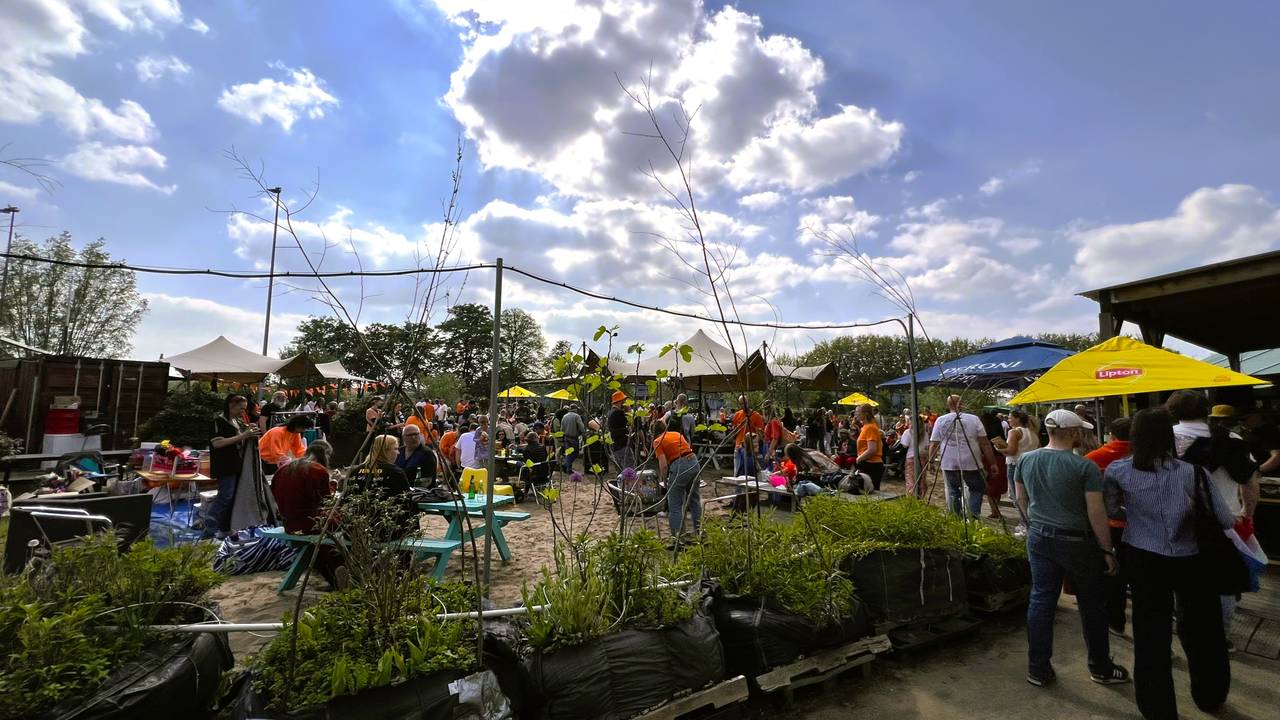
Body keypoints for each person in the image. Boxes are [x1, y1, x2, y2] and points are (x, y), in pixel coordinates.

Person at [1104, 409, 1233, 718]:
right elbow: (1225, 518)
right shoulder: (1193, 472)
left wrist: (1134, 514)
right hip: (1191, 559)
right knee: (1204, 629)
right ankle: (1210, 696)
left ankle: (1158, 708)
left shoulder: (1118, 471)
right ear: (1169, 436)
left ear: (1135, 435)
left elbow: (1112, 510)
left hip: (1143, 556)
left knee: (1150, 633)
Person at [1014, 409, 1129, 688]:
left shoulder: (1026, 460)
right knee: (1092, 605)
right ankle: (1100, 667)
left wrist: (1035, 525)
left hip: (1040, 537)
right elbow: (1096, 512)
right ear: (1074, 433)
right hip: (1078, 542)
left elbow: (1020, 498)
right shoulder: (1083, 467)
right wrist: (1107, 549)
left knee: (1041, 601)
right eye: (1081, 430)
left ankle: (1038, 669)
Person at [1166, 391, 1259, 638]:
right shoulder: (1232, 439)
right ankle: (1222, 636)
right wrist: (1248, 515)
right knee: (1224, 582)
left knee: (1182, 579)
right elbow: (1250, 484)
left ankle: (1185, 626)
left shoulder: (1161, 440)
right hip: (1225, 520)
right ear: (1206, 410)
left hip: (1174, 522)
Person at [269, 440, 345, 589]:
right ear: (325, 454)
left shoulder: (283, 469)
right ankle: (340, 571)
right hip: (312, 523)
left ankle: (334, 577)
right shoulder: (317, 470)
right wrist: (334, 483)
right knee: (342, 524)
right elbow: (326, 501)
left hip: (290, 524)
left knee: (316, 545)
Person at [1086, 416, 1133, 636]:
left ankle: (1116, 622)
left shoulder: (1093, 458)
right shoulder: (1146, 456)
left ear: (1111, 435)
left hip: (1109, 525)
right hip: (1143, 527)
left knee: (1114, 575)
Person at [928, 395, 999, 517]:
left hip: (949, 462)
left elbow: (934, 444)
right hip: (971, 462)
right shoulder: (974, 419)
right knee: (976, 489)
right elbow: (985, 443)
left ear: (947, 405)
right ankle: (973, 517)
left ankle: (956, 519)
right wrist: (992, 462)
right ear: (962, 404)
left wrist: (931, 462)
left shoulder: (940, 420)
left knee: (953, 491)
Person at [206, 395, 261, 539]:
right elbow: (217, 443)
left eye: (245, 409)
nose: (243, 411)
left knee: (232, 497)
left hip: (236, 464)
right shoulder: (219, 421)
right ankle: (209, 525)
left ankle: (225, 528)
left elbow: (241, 439)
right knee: (226, 495)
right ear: (231, 405)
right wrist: (243, 436)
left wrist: (250, 431)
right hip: (225, 465)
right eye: (241, 408)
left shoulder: (236, 421)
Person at [346, 434, 415, 537]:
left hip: (354, 530)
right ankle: (408, 552)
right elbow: (407, 501)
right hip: (385, 530)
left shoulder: (355, 471)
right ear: (385, 451)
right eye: (395, 449)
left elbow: (347, 499)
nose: (398, 452)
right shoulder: (395, 472)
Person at [652, 418, 701, 537]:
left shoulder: (658, 441)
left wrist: (664, 480)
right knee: (694, 500)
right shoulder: (677, 434)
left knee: (675, 505)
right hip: (694, 462)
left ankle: (678, 539)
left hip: (680, 465)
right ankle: (699, 533)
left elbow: (663, 465)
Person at [1000, 410, 1040, 505]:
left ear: (1017, 419)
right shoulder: (1033, 432)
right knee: (1029, 495)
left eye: (1010, 418)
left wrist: (999, 449)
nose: (1008, 420)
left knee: (1018, 496)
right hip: (1031, 465)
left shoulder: (1014, 432)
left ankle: (1024, 518)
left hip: (1015, 465)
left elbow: (1012, 451)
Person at [979, 411, 1009, 518]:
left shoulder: (983, 434)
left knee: (989, 486)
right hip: (1000, 459)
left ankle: (994, 510)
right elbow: (1003, 448)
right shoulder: (998, 434)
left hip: (986, 459)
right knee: (998, 486)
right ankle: (996, 509)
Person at [731, 395, 765, 477]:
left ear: (748, 402)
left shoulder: (756, 416)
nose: (743, 405)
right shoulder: (737, 415)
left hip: (750, 449)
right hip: (738, 447)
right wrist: (738, 427)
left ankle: (750, 489)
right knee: (738, 473)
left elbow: (760, 436)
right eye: (741, 404)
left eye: (745, 403)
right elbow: (733, 432)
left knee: (750, 474)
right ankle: (738, 490)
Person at [854, 404, 885, 491]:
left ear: (866, 414)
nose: (856, 414)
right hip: (868, 463)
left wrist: (859, 459)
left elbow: (872, 449)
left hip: (871, 465)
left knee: (870, 493)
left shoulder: (870, 427)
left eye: (858, 412)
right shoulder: (865, 427)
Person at [1241, 409, 1280, 477]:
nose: (1241, 422)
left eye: (1244, 419)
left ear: (1257, 416)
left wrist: (1257, 471)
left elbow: (1277, 457)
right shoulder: (1252, 432)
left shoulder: (1268, 432)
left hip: (1269, 478)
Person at [897, 415, 928, 497]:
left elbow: (904, 445)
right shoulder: (925, 433)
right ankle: (921, 497)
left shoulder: (908, 432)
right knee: (921, 479)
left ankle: (911, 499)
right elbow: (926, 446)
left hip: (911, 458)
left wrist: (900, 438)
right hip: (922, 458)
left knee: (911, 480)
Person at [606, 391, 632, 471]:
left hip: (615, 446)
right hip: (622, 445)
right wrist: (629, 410)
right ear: (621, 401)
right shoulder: (619, 413)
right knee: (629, 469)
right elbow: (631, 423)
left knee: (620, 471)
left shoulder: (610, 412)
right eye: (624, 400)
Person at [560, 404, 586, 474]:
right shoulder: (577, 416)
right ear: (575, 409)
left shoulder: (564, 416)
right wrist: (584, 433)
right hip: (574, 438)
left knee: (568, 453)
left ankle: (567, 466)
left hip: (566, 437)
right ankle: (567, 466)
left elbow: (562, 428)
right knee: (575, 453)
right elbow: (581, 427)